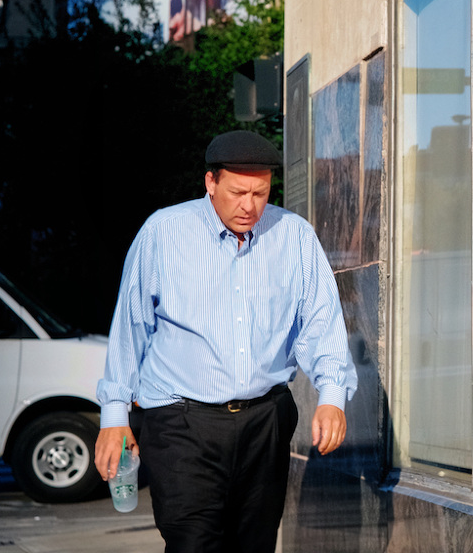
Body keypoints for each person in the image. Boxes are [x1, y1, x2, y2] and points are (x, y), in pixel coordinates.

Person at [95, 130, 357, 553]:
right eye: (238, 192)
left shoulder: (294, 236)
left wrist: (331, 396)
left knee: (253, 545)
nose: (249, 206)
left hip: (265, 422)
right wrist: (114, 417)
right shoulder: (163, 233)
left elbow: (321, 321)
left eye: (260, 193)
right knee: (192, 542)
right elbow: (131, 327)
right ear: (211, 182)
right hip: (181, 422)